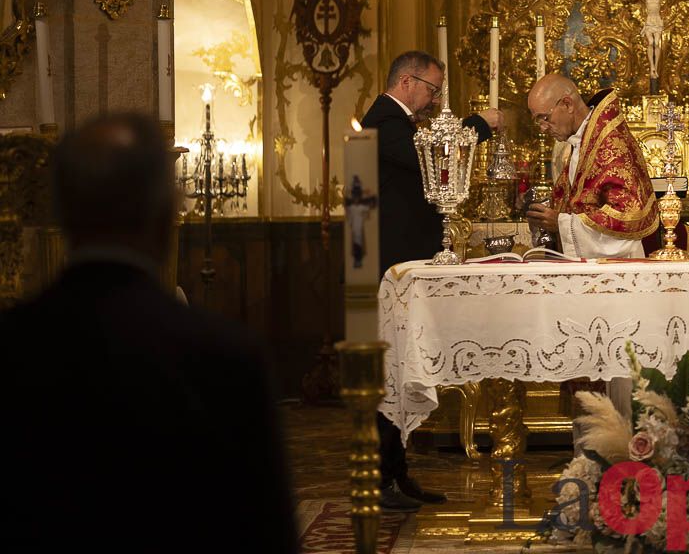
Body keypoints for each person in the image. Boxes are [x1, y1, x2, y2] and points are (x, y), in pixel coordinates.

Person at [0, 114, 297, 554]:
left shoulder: (13, 345)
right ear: (162, 216)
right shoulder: (226, 356)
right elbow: (265, 532)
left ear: (61, 213)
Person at [361, 50, 501, 511]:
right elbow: (434, 157)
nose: (435, 100)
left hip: (399, 261)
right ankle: (382, 480)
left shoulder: (395, 121)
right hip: (389, 264)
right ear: (407, 81)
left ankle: (396, 474)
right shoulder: (384, 120)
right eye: (432, 89)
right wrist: (480, 124)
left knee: (398, 368)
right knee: (389, 372)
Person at [525, 73, 659, 259]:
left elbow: (627, 217)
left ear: (567, 104)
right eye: (537, 121)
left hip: (615, 269)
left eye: (544, 118)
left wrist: (561, 224)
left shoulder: (611, 144)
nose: (542, 128)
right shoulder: (582, 140)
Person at [606, 0, 689, 80]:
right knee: (651, 43)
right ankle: (652, 67)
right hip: (649, 21)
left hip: (657, 21)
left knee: (657, 44)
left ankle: (655, 68)